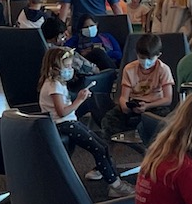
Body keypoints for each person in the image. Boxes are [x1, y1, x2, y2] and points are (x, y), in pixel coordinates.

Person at [37, 45, 129, 195]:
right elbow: (61, 112)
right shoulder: (53, 86)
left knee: (103, 145)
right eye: (66, 66)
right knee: (98, 148)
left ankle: (108, 174)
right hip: (63, 124)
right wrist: (80, 100)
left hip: (69, 122)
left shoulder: (58, 83)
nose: (70, 69)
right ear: (54, 68)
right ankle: (115, 184)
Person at [113, 33, 177, 141]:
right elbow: (124, 96)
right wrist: (124, 105)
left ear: (158, 55)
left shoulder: (163, 69)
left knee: (162, 121)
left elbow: (167, 99)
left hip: (155, 105)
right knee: (110, 119)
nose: (145, 62)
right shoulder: (129, 69)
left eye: (150, 58)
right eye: (142, 58)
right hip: (134, 103)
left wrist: (147, 106)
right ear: (137, 54)